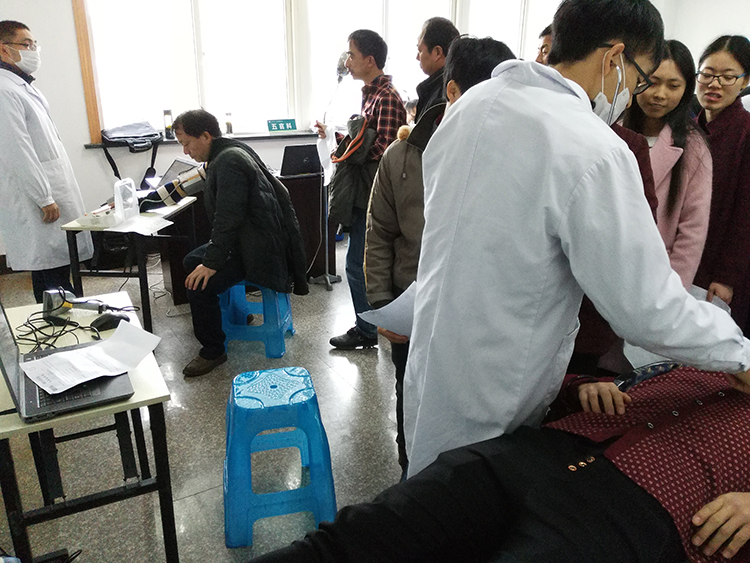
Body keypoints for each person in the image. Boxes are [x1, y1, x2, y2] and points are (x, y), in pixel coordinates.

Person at [402, 0, 750, 477]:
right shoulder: (593, 146)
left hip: (436, 356)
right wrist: (737, 353)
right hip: (498, 379)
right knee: (469, 496)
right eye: (640, 79)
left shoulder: (472, 105)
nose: (633, 95)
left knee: (424, 490)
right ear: (615, 59)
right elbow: (647, 307)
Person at [251, 364, 750, 563]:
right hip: (543, 452)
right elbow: (583, 379)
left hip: (640, 509)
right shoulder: (707, 358)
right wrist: (587, 387)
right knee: (364, 534)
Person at [365, 36, 516, 478]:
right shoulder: (402, 156)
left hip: (481, 316)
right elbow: (380, 234)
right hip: (413, 308)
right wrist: (383, 304)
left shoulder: (515, 154)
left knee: (473, 411)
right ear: (453, 91)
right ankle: (410, 478)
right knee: (411, 400)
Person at [174, 110, 308, 377]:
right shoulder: (229, 152)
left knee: (198, 285)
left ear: (206, 136)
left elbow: (228, 219)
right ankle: (238, 313)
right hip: (251, 240)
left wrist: (211, 264)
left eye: (187, 143)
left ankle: (213, 351)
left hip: (257, 250)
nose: (186, 152)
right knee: (191, 261)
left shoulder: (228, 162)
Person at [317, 30, 407, 350]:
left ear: (370, 60)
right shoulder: (371, 95)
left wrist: (351, 147)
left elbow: (385, 153)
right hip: (363, 192)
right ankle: (369, 326)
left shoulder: (387, 97)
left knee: (358, 265)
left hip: (373, 196)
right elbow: (364, 142)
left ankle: (368, 330)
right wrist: (337, 138)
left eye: (352, 55)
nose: (347, 62)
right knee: (358, 265)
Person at [0, 20, 93, 303]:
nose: (33, 50)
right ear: (4, 49)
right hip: (38, 199)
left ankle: (57, 318)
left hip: (49, 190)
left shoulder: (22, 87)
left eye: (34, 44)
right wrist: (43, 197)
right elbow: (17, 150)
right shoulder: (4, 90)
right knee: (51, 270)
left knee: (54, 266)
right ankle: (61, 322)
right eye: (26, 44)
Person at [623, 39, 712, 288]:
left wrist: (674, 288)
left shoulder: (694, 147)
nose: (660, 94)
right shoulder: (613, 130)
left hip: (658, 274)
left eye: (673, 86)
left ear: (686, 89)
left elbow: (693, 229)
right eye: (652, 82)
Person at [693, 35, 750, 333]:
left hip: (720, 268)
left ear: (745, 82)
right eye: (707, 74)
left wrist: (727, 276)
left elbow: (746, 214)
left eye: (727, 77)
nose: (714, 84)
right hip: (687, 257)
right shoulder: (690, 128)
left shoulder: (746, 132)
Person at [414, 17, 459, 121]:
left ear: (437, 52)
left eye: (420, 51)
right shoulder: (456, 83)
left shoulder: (445, 93)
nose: (417, 57)